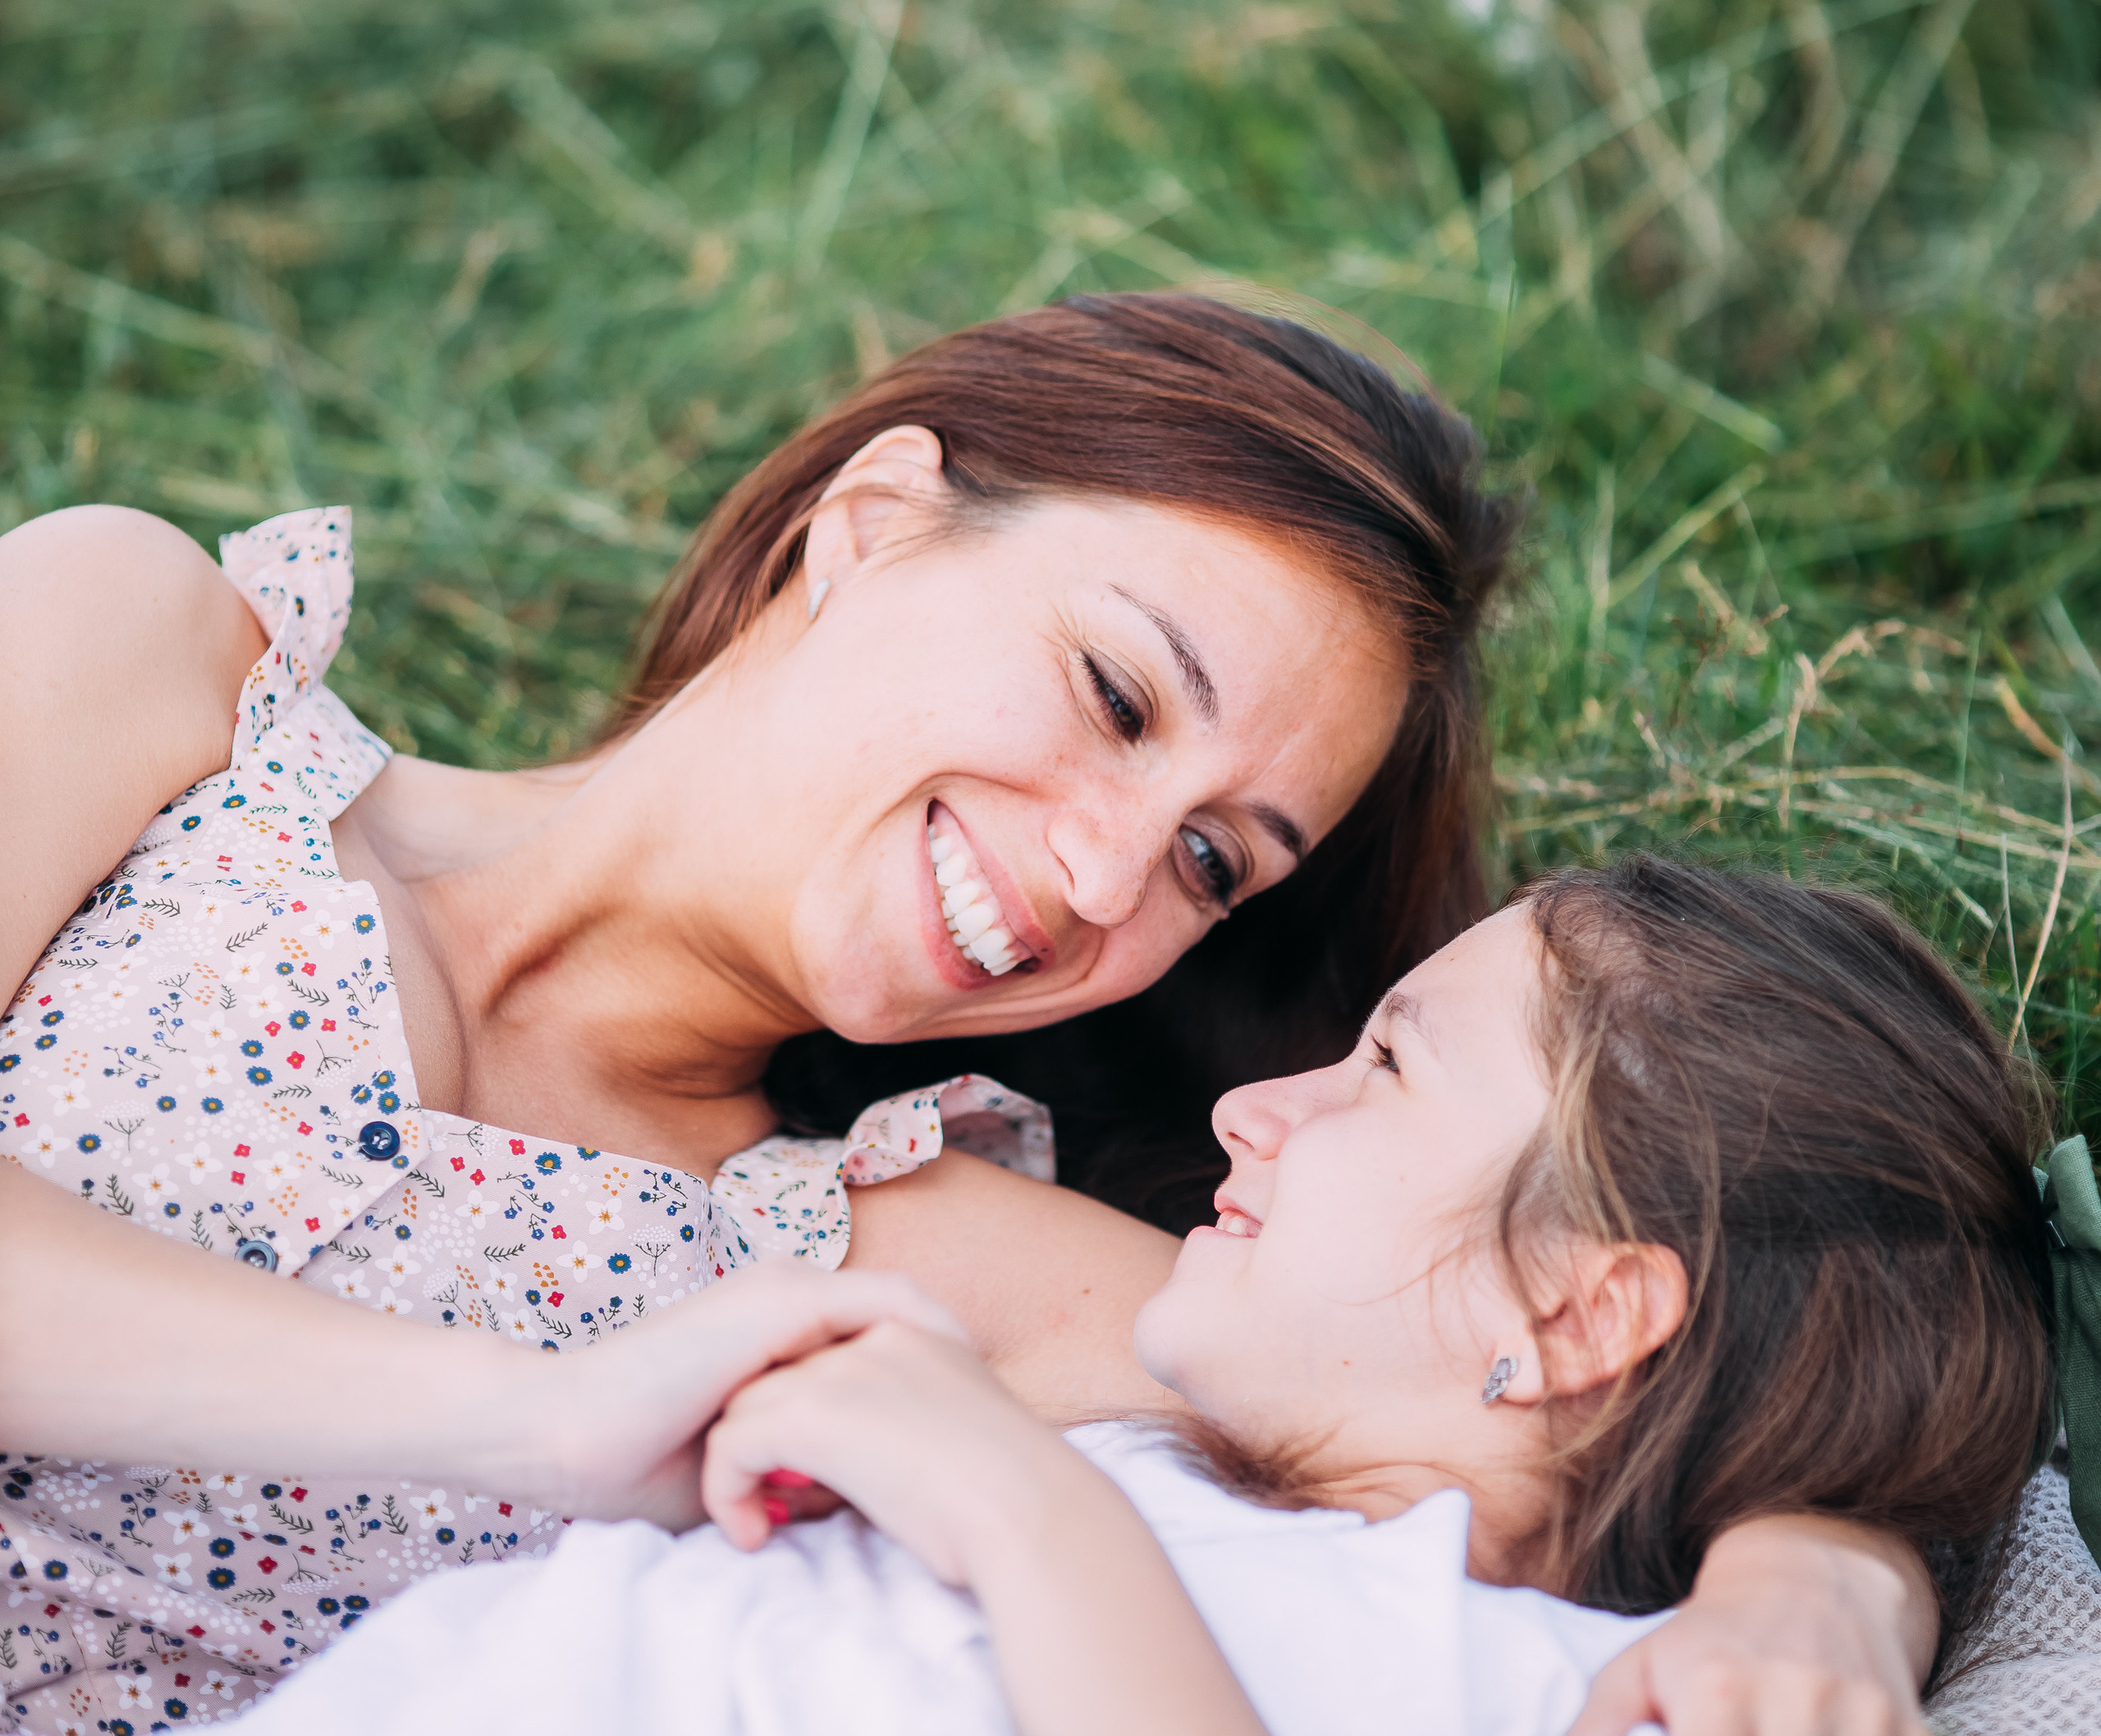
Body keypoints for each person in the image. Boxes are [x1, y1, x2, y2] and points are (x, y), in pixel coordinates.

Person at [0, 295, 1936, 1729]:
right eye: (1112, 695)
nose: (1104, 879)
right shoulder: (152, 666)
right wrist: (530, 1416)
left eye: (1210, 866)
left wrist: (1828, 1571)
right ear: (870, 522)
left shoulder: (911, 1258)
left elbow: (1592, 1406)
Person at [233, 857, 2058, 1736]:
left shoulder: (1591, 1697)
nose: (1253, 1109)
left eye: (1387, 1068)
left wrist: (1027, 1517)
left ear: (1581, 1314)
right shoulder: (1174, 1464)